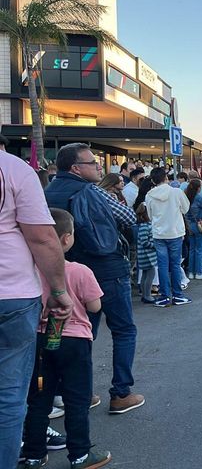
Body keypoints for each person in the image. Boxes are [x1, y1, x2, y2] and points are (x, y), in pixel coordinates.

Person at [44, 143, 144, 415]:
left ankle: (77, 392)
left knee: (78, 333)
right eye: (93, 163)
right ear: (76, 168)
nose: (100, 167)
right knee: (123, 330)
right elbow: (128, 217)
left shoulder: (47, 193)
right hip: (106, 270)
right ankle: (121, 393)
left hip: (62, 272)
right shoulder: (94, 192)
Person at [0, 133, 72, 469]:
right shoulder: (14, 170)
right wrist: (59, 291)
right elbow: (43, 238)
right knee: (10, 396)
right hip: (11, 296)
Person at [19, 209, 111, 469]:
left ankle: (34, 454)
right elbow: (94, 307)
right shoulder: (81, 271)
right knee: (77, 400)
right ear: (67, 238)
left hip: (40, 339)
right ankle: (80, 454)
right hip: (75, 342)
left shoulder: (32, 272)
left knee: (38, 399)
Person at [144, 167, 192, 308]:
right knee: (175, 265)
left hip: (159, 234)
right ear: (166, 178)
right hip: (175, 232)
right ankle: (177, 295)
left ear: (152, 180)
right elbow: (185, 209)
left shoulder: (149, 195)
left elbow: (150, 215)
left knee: (162, 266)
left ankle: (164, 296)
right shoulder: (176, 192)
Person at [135, 205, 157, 304]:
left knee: (145, 274)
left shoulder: (144, 225)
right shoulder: (145, 226)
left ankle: (145, 295)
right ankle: (147, 295)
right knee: (150, 274)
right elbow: (144, 242)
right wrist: (154, 245)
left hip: (145, 255)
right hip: (147, 255)